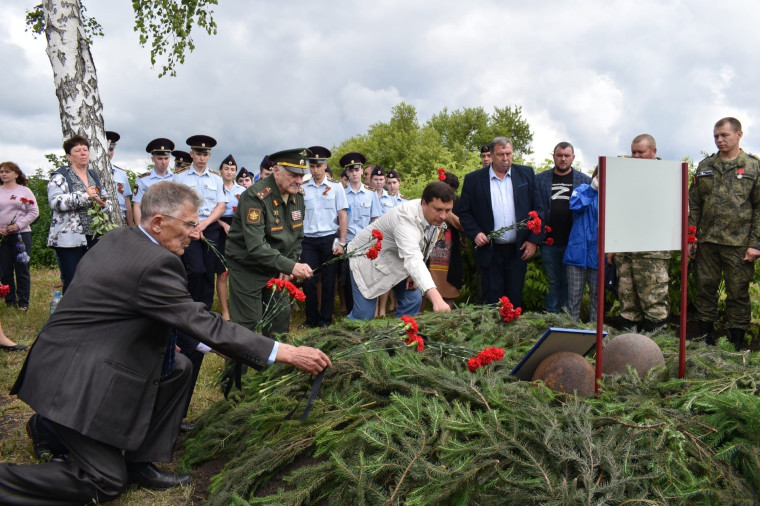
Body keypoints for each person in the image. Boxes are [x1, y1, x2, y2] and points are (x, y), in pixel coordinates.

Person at [0, 181, 331, 504]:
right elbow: (197, 318)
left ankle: (138, 460)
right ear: (158, 222)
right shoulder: (156, 262)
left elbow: (159, 311)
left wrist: (208, 344)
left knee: (179, 366)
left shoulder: (121, 237)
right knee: (104, 480)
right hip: (76, 379)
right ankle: (42, 439)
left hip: (63, 358)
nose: (193, 232)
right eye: (188, 224)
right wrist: (284, 351)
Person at [226, 148, 314, 336]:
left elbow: (297, 236)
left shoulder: (298, 196)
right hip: (247, 267)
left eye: (301, 175)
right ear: (276, 171)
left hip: (278, 268)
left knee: (279, 322)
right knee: (246, 325)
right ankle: (236, 366)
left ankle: (273, 366)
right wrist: (291, 266)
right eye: (293, 175)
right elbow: (256, 246)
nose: (298, 181)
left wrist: (287, 265)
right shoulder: (255, 196)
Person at [689, 117, 760, 347]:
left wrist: (755, 244)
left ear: (739, 135)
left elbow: (759, 207)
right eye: (716, 136)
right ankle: (705, 340)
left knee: (737, 294)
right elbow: (695, 204)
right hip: (707, 242)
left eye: (724, 135)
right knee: (705, 290)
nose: (719, 140)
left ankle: (735, 344)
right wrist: (692, 238)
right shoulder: (705, 167)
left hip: (738, 243)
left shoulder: (752, 166)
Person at [347, 181, 455, 319]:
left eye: (448, 210)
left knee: (412, 299)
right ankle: (337, 339)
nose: (443, 216)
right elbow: (413, 258)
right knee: (362, 317)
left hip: (396, 262)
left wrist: (414, 275)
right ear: (423, 203)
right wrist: (437, 299)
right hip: (368, 261)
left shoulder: (432, 216)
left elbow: (422, 246)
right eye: (438, 209)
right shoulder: (405, 219)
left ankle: (399, 337)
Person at [459, 136, 540, 308]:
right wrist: (475, 233)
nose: (505, 159)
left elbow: (539, 209)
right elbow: (464, 213)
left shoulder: (526, 174)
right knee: (491, 300)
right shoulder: (473, 180)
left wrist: (533, 241)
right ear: (491, 155)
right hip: (489, 249)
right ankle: (491, 333)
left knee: (514, 298)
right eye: (500, 154)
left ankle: (513, 333)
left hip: (518, 249)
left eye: (508, 154)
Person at [608, 134, 671, 332]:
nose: (636, 156)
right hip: (625, 250)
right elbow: (616, 211)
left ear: (654, 152)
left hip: (652, 252)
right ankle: (628, 345)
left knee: (654, 301)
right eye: (633, 152)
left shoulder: (667, 176)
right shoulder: (624, 176)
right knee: (628, 301)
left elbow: (676, 212)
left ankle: (658, 348)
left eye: (641, 152)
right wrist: (613, 245)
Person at [47, 135, 111, 294]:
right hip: (70, 238)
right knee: (73, 279)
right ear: (69, 156)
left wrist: (104, 206)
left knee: (94, 277)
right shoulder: (60, 177)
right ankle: (70, 316)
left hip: (94, 234)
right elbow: (56, 202)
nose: (83, 153)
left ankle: (91, 313)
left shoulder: (93, 175)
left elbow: (106, 201)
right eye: (77, 150)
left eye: (85, 150)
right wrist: (85, 195)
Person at [534, 142, 591, 314]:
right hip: (548, 242)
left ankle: (567, 319)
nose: (563, 159)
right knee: (552, 281)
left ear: (573, 157)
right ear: (554, 156)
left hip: (573, 243)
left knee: (570, 283)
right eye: (560, 155)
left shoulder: (584, 181)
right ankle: (551, 318)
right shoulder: (540, 179)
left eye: (567, 155)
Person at [301, 146, 348, 328]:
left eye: (319, 166)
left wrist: (342, 242)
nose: (315, 170)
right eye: (312, 166)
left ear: (325, 165)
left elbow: (342, 215)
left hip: (329, 238)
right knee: (308, 280)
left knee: (329, 281)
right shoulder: (302, 189)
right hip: (308, 240)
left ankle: (325, 320)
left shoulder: (336, 188)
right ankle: (310, 319)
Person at [341, 152, 382, 314]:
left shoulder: (371, 194)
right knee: (350, 279)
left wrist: (374, 243)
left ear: (361, 170)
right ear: (347, 173)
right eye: (350, 171)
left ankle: (365, 310)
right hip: (349, 243)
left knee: (365, 278)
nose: (354, 173)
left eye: (357, 170)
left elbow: (375, 220)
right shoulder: (341, 194)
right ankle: (353, 310)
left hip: (366, 244)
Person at [0, 162, 39, 311]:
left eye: (7, 171)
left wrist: (18, 225)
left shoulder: (25, 191)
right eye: (1, 171)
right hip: (2, 236)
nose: (4, 174)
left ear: (16, 174)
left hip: (21, 235)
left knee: (22, 268)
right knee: (5, 268)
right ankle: (10, 301)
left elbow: (34, 212)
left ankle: (23, 302)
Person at [563, 169, 599, 322]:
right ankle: (572, 334)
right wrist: (592, 190)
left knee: (597, 299)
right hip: (577, 254)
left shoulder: (613, 195)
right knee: (574, 297)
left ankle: (595, 336)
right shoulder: (582, 189)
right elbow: (575, 205)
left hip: (598, 254)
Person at [427, 171, 464, 309]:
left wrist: (448, 214)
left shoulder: (459, 201)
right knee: (428, 279)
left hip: (450, 250)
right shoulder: (432, 200)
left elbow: (463, 225)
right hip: (432, 248)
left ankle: (446, 315)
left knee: (450, 285)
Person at [217, 154, 246, 321]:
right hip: (219, 228)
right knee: (222, 272)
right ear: (221, 170)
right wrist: (221, 223)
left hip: (238, 229)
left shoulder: (241, 190)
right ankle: (225, 310)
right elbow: (211, 211)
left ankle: (239, 307)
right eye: (226, 169)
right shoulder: (215, 186)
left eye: (232, 169)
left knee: (238, 271)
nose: (229, 172)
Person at [133, 138, 176, 225]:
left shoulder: (176, 178)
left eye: (166, 158)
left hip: (172, 224)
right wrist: (139, 229)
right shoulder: (143, 180)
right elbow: (137, 206)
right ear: (153, 159)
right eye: (160, 159)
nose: (163, 162)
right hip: (151, 223)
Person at [105, 131, 134, 226]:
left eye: (111, 149)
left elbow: (127, 202)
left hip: (120, 219)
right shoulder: (90, 172)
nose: (109, 153)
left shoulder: (121, 173)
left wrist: (130, 227)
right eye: (106, 149)